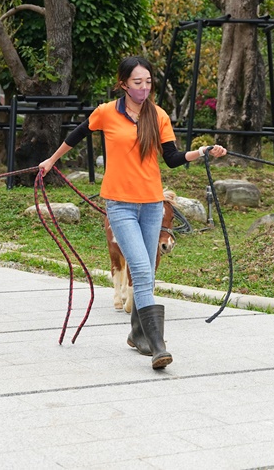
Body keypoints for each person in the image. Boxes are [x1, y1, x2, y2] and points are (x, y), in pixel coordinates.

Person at [39, 56, 226, 370]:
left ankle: (138, 335)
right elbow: (76, 136)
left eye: (148, 82)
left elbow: (172, 158)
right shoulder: (106, 113)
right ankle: (157, 346)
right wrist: (50, 161)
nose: (144, 87)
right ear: (123, 83)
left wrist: (202, 152)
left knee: (146, 273)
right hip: (120, 205)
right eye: (137, 82)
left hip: (152, 204)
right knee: (140, 270)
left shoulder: (159, 116)